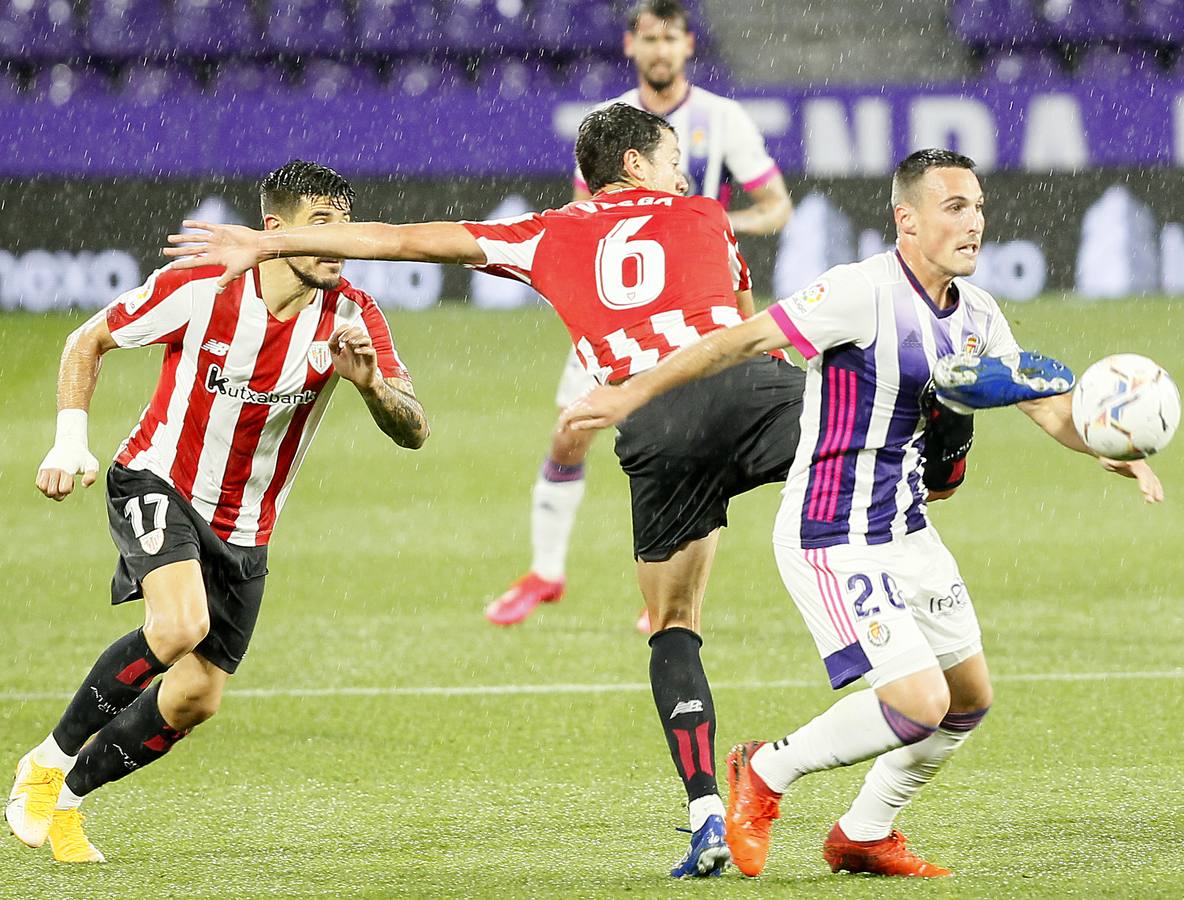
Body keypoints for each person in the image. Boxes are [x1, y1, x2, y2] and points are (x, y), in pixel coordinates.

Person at [161, 103, 800, 878]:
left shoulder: (544, 232)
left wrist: (272, 240)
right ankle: (868, 713)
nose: (681, 173)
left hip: (652, 428)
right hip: (744, 391)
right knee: (876, 480)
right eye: (670, 159)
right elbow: (738, 325)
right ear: (635, 166)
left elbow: (396, 242)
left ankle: (705, 811)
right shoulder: (703, 214)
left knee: (672, 625)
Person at [561, 148, 1164, 878]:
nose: (972, 223)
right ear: (904, 219)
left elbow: (1042, 404)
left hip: (904, 528)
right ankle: (765, 770)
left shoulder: (975, 312)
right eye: (954, 208)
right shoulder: (858, 292)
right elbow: (742, 340)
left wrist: (1104, 440)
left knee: (966, 701)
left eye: (976, 207)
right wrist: (631, 394)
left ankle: (863, 832)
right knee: (917, 701)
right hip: (829, 531)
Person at [7, 160, 429, 864]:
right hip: (157, 478)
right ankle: (43, 765)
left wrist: (371, 387)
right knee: (179, 624)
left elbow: (414, 427)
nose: (340, 241)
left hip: (246, 527)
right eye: (322, 225)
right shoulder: (206, 287)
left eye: (346, 227)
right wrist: (70, 442)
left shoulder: (353, 315)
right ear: (274, 229)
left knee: (196, 697)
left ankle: (69, 801)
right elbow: (89, 339)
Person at [485, 0, 794, 630]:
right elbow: (582, 217)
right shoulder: (610, 125)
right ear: (631, 45)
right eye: (649, 38)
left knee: (700, 429)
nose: (660, 50)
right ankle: (546, 572)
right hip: (619, 308)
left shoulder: (721, 119)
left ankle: (669, 579)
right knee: (571, 432)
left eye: (671, 38)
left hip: (694, 309)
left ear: (687, 47)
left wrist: (703, 230)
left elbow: (776, 207)